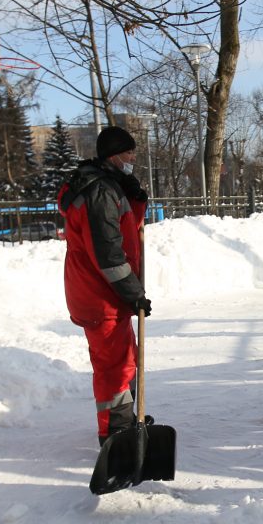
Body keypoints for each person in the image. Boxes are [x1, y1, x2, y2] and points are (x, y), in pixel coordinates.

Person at [57, 125, 153, 447]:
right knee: (114, 366)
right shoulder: (99, 192)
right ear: (113, 155)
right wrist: (134, 294)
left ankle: (129, 418)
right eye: (128, 153)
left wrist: (135, 196)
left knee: (127, 359)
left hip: (108, 293)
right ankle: (114, 433)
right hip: (100, 294)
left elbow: (123, 236)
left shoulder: (111, 186)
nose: (133, 158)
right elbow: (109, 255)